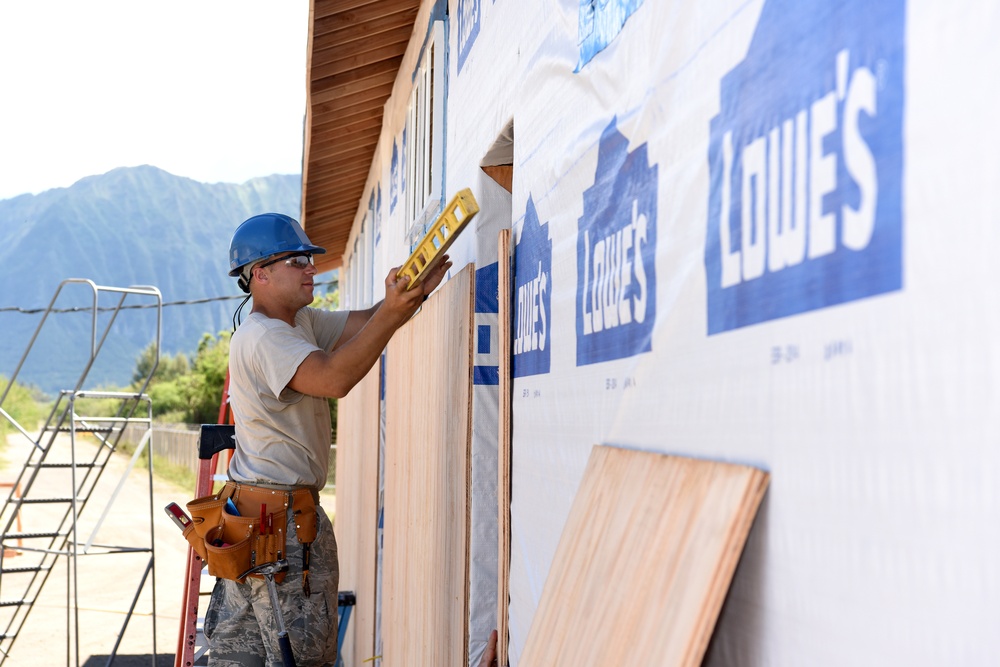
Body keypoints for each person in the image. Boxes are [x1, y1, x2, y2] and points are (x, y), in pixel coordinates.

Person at [204, 212, 451, 666]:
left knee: (242, 659)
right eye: (297, 260)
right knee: (297, 657)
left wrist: (409, 291)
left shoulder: (297, 324)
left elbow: (366, 322)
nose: (311, 268)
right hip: (282, 535)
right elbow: (334, 378)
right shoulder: (265, 336)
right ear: (260, 273)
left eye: (309, 259)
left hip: (255, 523)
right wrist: (395, 311)